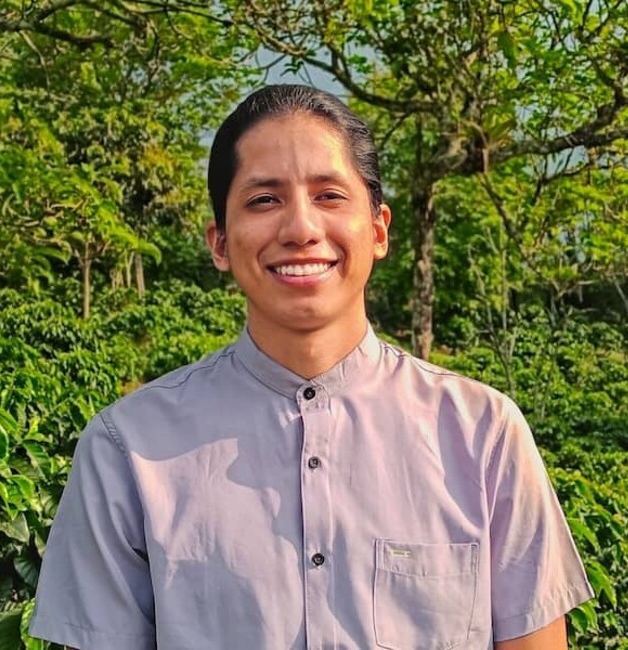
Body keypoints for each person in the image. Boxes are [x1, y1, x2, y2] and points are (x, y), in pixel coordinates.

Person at [30, 84, 593, 650]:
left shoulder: (483, 435)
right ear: (220, 243)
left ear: (377, 230)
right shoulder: (127, 450)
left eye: (328, 195)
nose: (301, 229)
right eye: (263, 200)